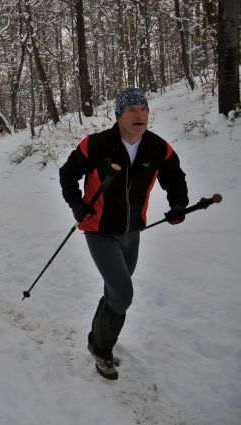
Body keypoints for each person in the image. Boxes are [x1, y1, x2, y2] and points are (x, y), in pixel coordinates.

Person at [59, 87, 189, 380]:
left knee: (114, 292)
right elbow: (67, 174)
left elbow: (175, 178)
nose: (139, 114)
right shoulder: (95, 145)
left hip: (133, 232)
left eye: (143, 109)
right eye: (132, 110)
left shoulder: (158, 148)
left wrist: (178, 204)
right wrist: (77, 205)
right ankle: (102, 349)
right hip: (100, 231)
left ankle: (97, 339)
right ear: (118, 116)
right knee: (123, 292)